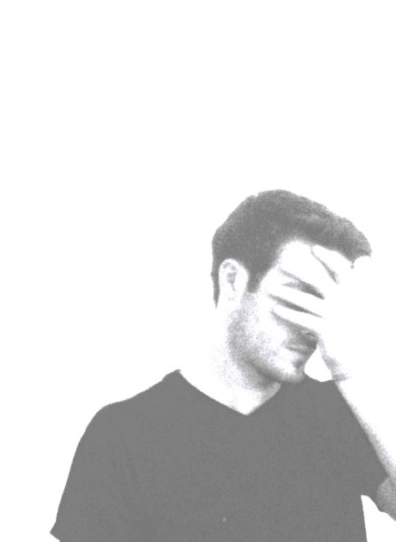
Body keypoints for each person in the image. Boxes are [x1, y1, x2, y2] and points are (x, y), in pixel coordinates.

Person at [51, 190, 396, 542]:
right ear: (233, 280)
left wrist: (354, 373)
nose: (316, 325)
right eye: (299, 295)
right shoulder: (123, 435)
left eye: (327, 304)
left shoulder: (342, 411)